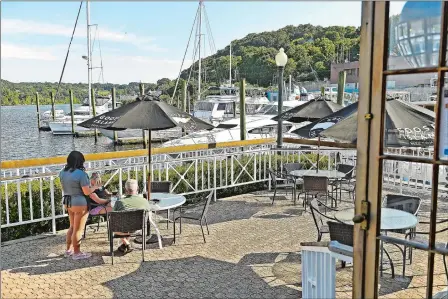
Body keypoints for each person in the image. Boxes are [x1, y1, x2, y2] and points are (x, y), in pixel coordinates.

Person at [59, 151, 100, 260]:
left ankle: (69, 250)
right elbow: (86, 192)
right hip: (79, 203)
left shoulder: (62, 172)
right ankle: (77, 253)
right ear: (80, 162)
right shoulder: (81, 174)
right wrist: (95, 187)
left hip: (68, 201)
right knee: (78, 230)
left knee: (72, 227)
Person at [113, 179, 151, 254]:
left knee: (119, 224)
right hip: (138, 228)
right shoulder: (144, 201)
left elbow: (114, 217)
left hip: (122, 230)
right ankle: (125, 245)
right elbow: (148, 213)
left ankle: (127, 244)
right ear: (137, 189)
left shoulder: (119, 202)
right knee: (129, 223)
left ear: (125, 190)